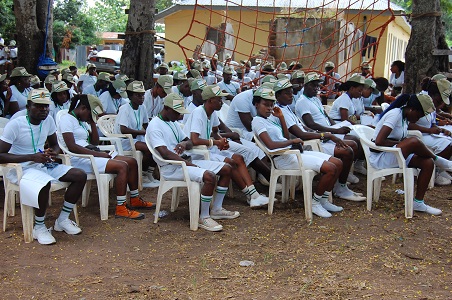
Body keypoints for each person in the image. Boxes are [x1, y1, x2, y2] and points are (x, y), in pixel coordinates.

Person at [0, 88, 87, 244]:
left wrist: (51, 153)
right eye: (38, 105)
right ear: (28, 106)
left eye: (46, 106)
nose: (43, 109)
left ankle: (62, 219)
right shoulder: (16, 124)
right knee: (44, 183)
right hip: (21, 169)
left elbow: (55, 144)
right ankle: (39, 227)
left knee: (79, 175)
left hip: (42, 165)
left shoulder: (48, 120)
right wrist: (32, 157)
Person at [147, 93, 238, 231]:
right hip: (172, 168)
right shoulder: (154, 126)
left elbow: (189, 141)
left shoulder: (172, 122)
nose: (179, 116)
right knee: (210, 176)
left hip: (184, 162)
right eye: (177, 113)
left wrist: (184, 144)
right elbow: (164, 153)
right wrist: (187, 163)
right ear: (166, 108)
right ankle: (204, 216)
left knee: (227, 169)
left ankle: (217, 208)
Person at [251, 85, 344, 217]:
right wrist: (292, 142)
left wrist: (281, 117)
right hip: (283, 158)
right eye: (266, 104)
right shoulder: (258, 121)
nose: (269, 108)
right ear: (256, 104)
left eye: (271, 105)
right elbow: (271, 145)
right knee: (330, 168)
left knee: (338, 163)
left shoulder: (269, 120)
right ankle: (315, 203)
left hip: (292, 154)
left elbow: (285, 137)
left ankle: (323, 200)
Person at [59, 94, 154, 220]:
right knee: (122, 166)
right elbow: (72, 147)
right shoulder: (67, 119)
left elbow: (94, 142)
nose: (89, 117)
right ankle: (121, 208)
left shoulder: (81, 121)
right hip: (79, 158)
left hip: (90, 153)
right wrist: (98, 154)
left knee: (132, 162)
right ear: (82, 108)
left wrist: (92, 123)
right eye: (89, 114)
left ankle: (135, 198)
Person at [273, 78, 365, 200]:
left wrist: (320, 132)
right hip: (307, 144)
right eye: (287, 93)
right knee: (347, 150)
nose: (292, 96)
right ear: (278, 95)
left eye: (292, 92)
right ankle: (333, 191)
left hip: (313, 139)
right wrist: (325, 134)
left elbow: (303, 127)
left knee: (351, 145)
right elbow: (301, 134)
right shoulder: (282, 110)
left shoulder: (286, 107)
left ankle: (339, 187)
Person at [184, 84, 270, 207]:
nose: (222, 102)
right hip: (196, 153)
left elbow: (215, 132)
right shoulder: (199, 113)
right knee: (231, 163)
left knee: (238, 157)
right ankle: (250, 195)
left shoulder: (212, 113)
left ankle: (254, 195)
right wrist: (215, 142)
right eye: (219, 99)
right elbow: (194, 140)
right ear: (210, 100)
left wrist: (221, 140)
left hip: (207, 148)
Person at [371, 93, 451, 215]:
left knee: (427, 163)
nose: (418, 119)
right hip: (381, 156)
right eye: (419, 115)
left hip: (394, 153)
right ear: (412, 109)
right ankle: (438, 159)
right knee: (413, 141)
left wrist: (402, 144)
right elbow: (379, 141)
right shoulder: (395, 115)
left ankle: (418, 202)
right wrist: (402, 143)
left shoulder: (404, 117)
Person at [295, 72, 368, 178]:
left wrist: (337, 126)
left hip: (329, 130)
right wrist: (336, 131)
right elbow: (311, 124)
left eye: (317, 86)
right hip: (320, 135)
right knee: (352, 143)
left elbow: (326, 116)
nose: (316, 88)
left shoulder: (315, 99)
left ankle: (347, 171)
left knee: (357, 138)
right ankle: (343, 176)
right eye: (313, 85)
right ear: (305, 85)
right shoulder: (302, 101)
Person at [114, 80, 160, 188]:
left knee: (156, 145)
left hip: (136, 139)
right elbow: (123, 130)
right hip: (124, 140)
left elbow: (145, 124)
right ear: (130, 96)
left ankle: (149, 174)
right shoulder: (124, 109)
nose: (142, 97)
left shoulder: (142, 108)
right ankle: (143, 176)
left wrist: (152, 133)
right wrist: (143, 132)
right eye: (138, 95)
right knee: (149, 148)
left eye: (143, 95)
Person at [409, 78, 452, 185]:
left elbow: (431, 122)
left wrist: (439, 129)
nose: (440, 104)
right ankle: (436, 170)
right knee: (448, 145)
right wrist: (429, 129)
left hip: (427, 134)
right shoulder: (421, 100)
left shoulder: (430, 101)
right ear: (433, 94)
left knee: (449, 140)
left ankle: (440, 169)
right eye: (439, 101)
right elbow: (408, 124)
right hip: (416, 136)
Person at [225, 75, 277, 141]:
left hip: (254, 127)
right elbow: (249, 127)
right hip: (238, 130)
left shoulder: (268, 100)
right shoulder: (242, 99)